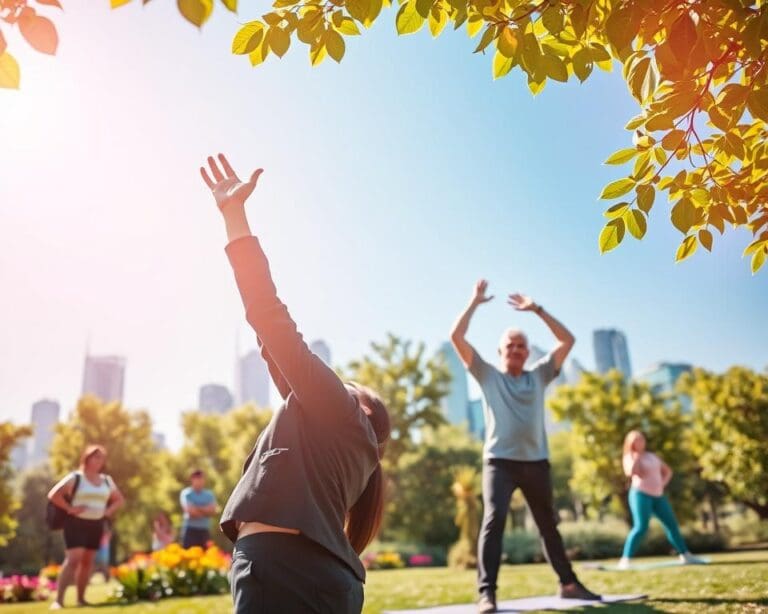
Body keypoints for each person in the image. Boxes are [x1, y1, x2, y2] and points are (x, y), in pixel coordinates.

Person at [199, 153, 391, 614]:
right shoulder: (337, 440)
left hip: (285, 574)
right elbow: (272, 342)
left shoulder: (340, 414)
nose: (335, 383)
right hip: (309, 577)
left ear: (361, 410)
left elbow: (271, 320)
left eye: (347, 384)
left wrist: (234, 217)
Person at [450, 281, 601, 613]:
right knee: (494, 521)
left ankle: (569, 585)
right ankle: (486, 593)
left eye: (521, 346)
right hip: (499, 462)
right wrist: (474, 302)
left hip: (536, 462)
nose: (516, 350)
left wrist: (537, 310)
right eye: (510, 345)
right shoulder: (488, 375)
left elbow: (567, 340)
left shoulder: (540, 374)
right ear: (501, 350)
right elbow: (457, 338)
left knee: (549, 525)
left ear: (527, 352)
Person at [47, 444, 124, 609]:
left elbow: (119, 499)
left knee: (88, 562)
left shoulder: (106, 480)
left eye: (101, 458)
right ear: (87, 459)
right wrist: (70, 508)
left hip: (96, 524)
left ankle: (81, 599)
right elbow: (54, 494)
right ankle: (58, 601)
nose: (98, 460)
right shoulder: (76, 477)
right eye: (95, 457)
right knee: (73, 560)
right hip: (76, 523)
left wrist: (108, 511)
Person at [618, 430, 705, 569]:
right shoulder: (630, 457)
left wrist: (662, 483)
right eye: (636, 440)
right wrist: (637, 457)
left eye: (641, 439)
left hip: (658, 495)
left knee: (672, 525)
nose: (640, 442)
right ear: (631, 443)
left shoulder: (652, 457)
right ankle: (625, 559)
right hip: (640, 494)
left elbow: (668, 471)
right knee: (641, 527)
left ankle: (685, 555)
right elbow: (631, 472)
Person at [179, 470, 218, 549]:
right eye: (197, 478)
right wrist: (205, 510)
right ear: (192, 480)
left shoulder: (209, 495)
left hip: (204, 531)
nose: (200, 481)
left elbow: (213, 511)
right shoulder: (186, 493)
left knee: (206, 557)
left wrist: (196, 507)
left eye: (201, 478)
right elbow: (190, 511)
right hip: (190, 530)